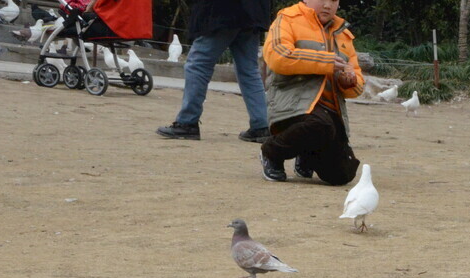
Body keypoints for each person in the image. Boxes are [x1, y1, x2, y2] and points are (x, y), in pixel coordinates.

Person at [259, 0, 364, 184]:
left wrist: (349, 82)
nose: (327, 5)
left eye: (333, 1)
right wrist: (325, 62)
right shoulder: (287, 18)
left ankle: (306, 154)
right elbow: (278, 57)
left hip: (329, 113)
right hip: (292, 104)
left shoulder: (343, 33)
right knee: (320, 125)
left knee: (343, 175)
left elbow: (357, 85)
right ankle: (271, 152)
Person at [156, 0, 269, 142]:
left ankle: (187, 122)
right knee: (249, 71)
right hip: (253, 12)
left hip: (220, 12)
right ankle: (262, 125)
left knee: (197, 65)